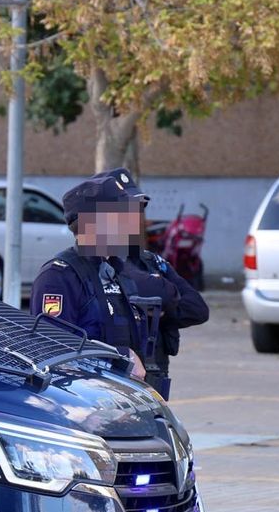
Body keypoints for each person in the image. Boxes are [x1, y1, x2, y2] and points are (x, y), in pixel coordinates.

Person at [31, 169, 208, 399]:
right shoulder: (58, 277)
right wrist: (120, 356)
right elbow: (54, 347)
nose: (130, 223)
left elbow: (194, 309)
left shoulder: (118, 270)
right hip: (85, 404)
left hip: (130, 400)